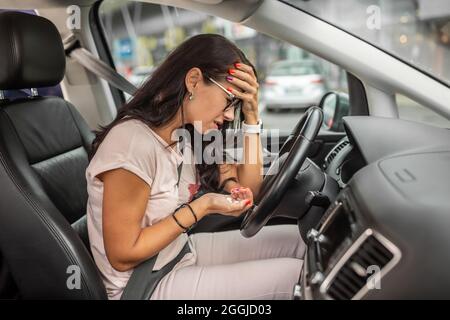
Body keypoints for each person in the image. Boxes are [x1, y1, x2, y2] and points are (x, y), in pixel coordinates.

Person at [86, 34, 305, 300]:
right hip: (142, 285)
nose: (228, 116)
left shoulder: (187, 133)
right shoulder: (133, 144)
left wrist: (252, 115)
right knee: (296, 276)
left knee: (301, 241)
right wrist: (203, 207)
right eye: (229, 101)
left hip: (177, 253)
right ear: (193, 81)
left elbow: (249, 187)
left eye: (237, 106)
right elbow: (123, 255)